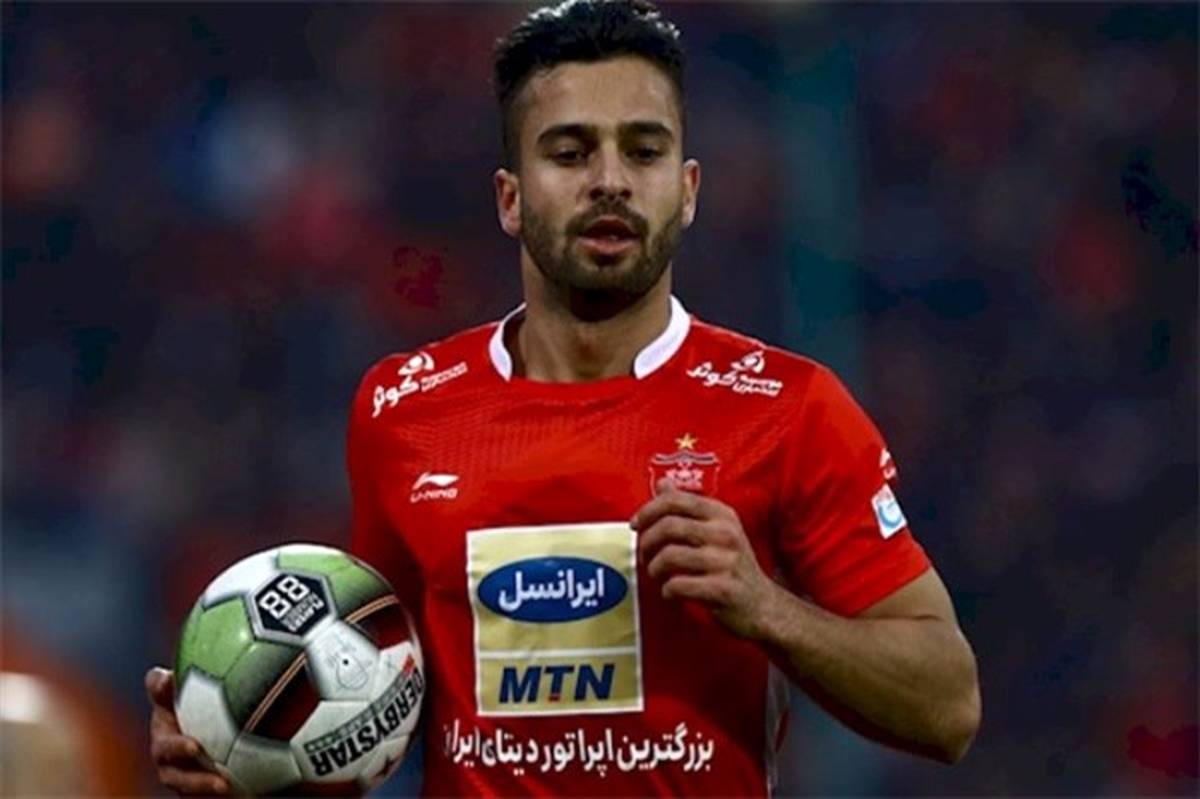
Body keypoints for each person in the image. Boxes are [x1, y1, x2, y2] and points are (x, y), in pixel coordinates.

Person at [147, 0, 981, 794]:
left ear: (688, 189)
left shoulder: (788, 409)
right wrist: (243, 751)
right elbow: (375, 699)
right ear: (510, 197)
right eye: (571, 152)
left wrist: (768, 609)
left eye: (644, 151)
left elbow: (949, 708)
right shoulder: (403, 410)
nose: (610, 180)